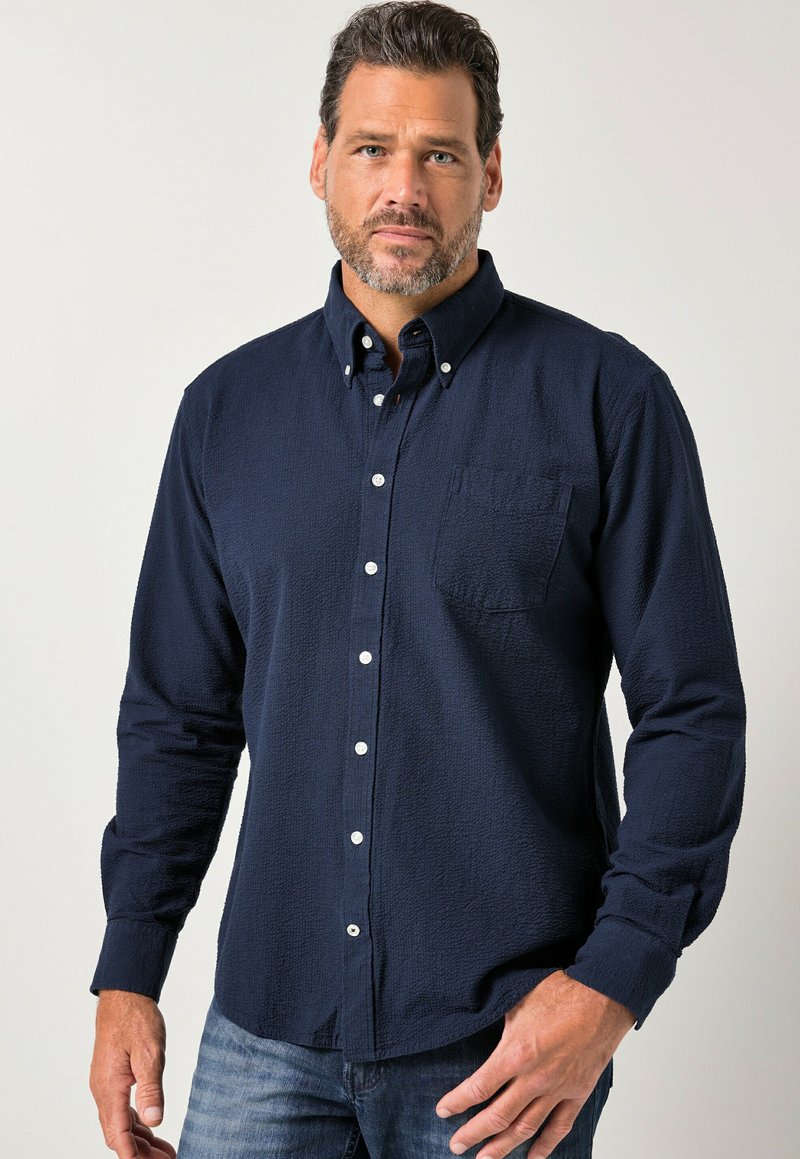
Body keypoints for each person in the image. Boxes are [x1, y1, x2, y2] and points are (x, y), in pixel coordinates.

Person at [87, 3, 747, 1157]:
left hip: (502, 1049)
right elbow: (176, 721)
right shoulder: (224, 416)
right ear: (318, 163)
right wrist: (128, 970)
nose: (403, 187)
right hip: (265, 1031)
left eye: (439, 153)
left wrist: (611, 983)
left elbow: (690, 713)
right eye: (371, 149)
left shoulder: (608, 401)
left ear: (490, 172)